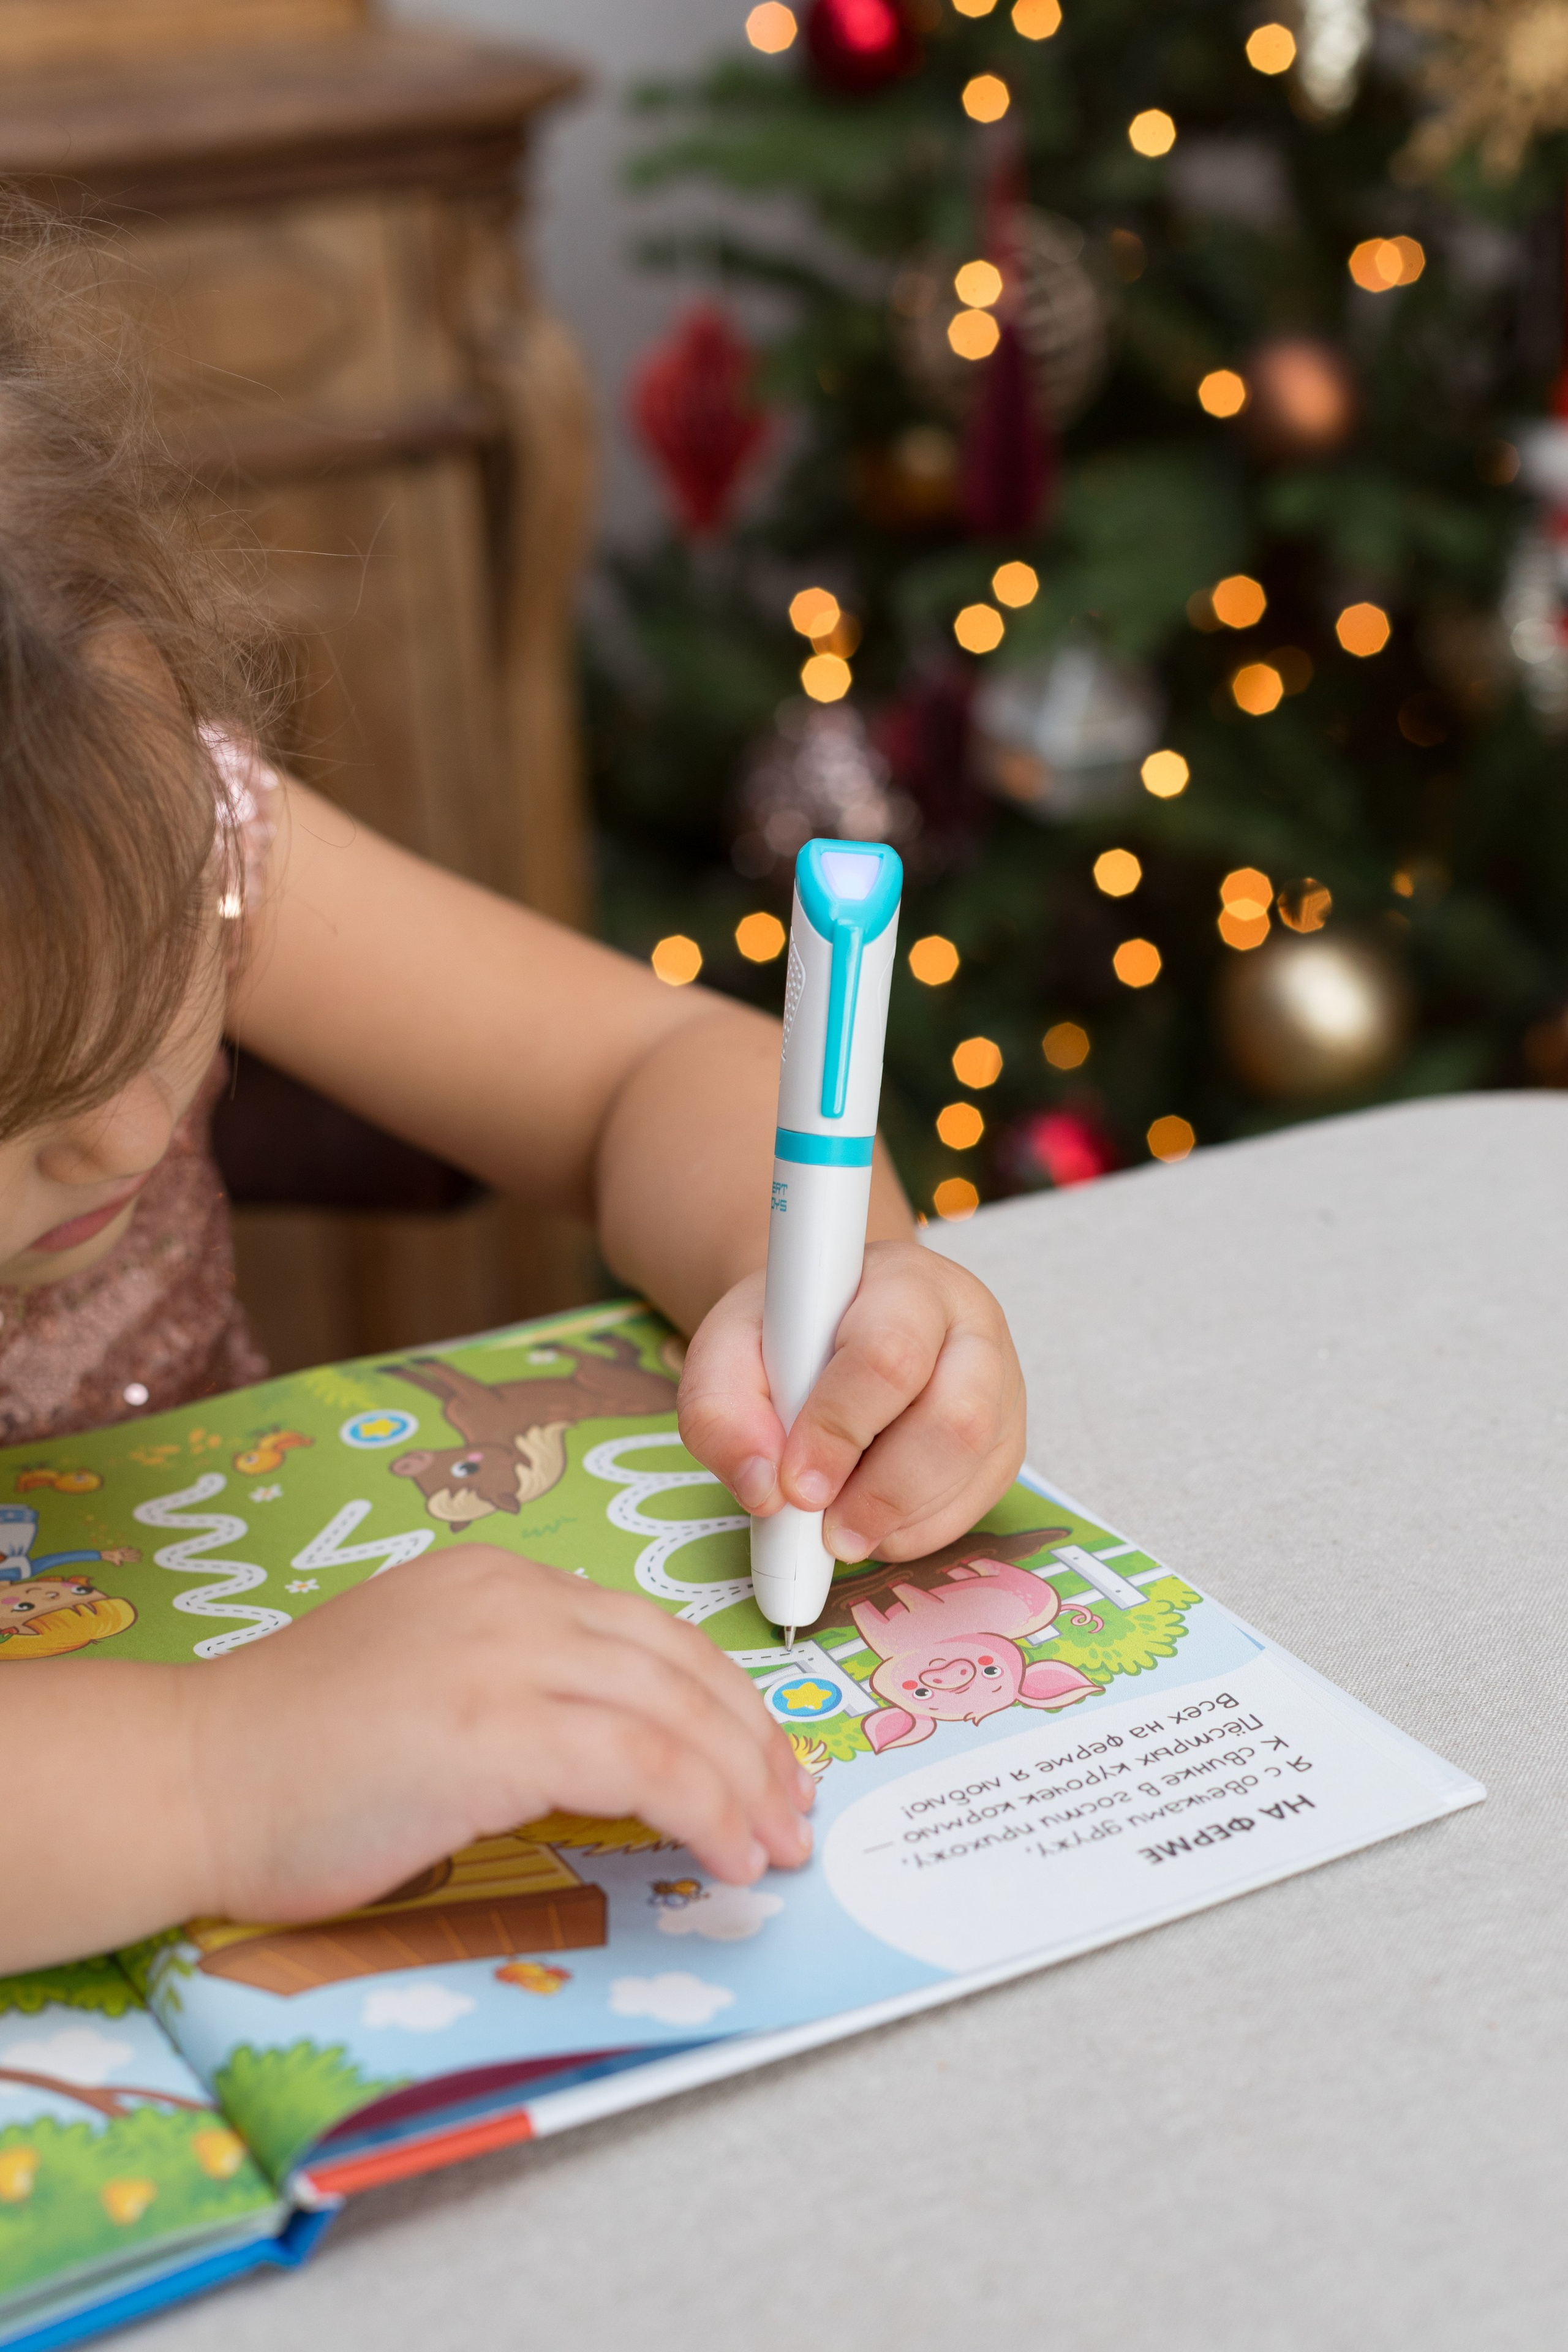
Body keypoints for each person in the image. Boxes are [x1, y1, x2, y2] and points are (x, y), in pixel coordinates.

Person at [0, 220, 1025, 1975]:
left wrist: (827, 1290)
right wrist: (215, 1773)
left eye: (157, 963)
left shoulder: (127, 782)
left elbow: (641, 1069)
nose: (123, 1134)